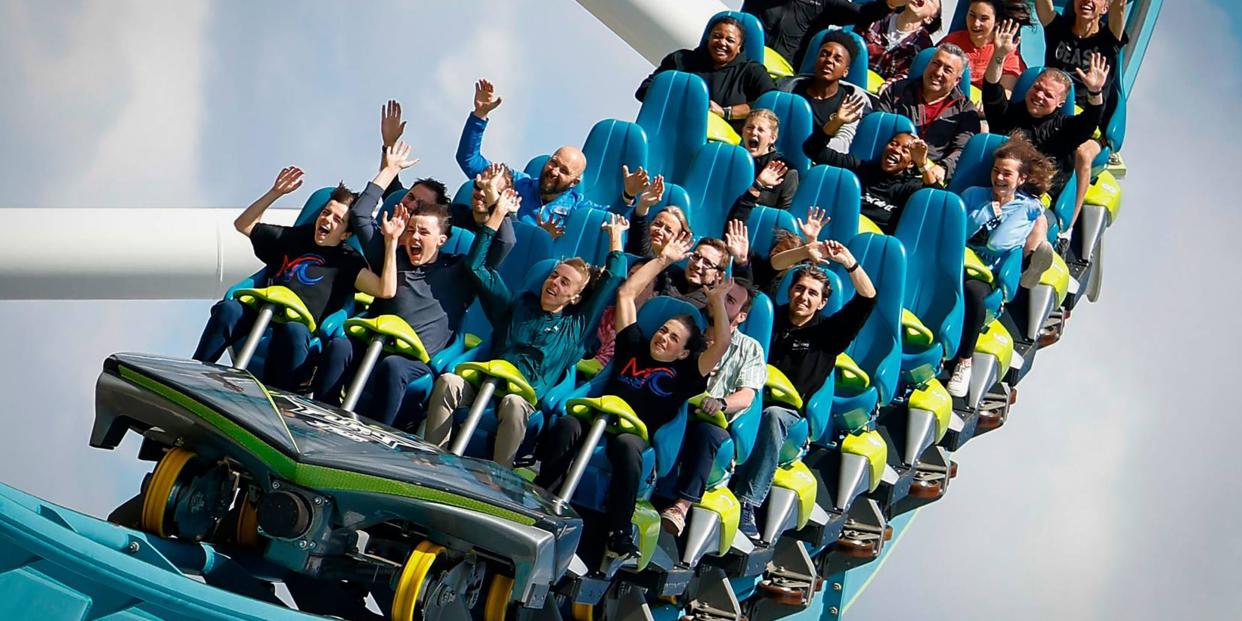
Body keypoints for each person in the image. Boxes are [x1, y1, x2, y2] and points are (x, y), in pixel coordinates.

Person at [534, 236, 732, 557]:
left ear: (684, 353)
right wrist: (663, 259)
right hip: (597, 418)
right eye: (663, 330)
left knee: (626, 447)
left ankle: (619, 531)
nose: (663, 337)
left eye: (673, 338)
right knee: (568, 424)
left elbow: (721, 344)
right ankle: (543, 499)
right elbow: (626, 293)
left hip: (633, 434)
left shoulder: (687, 375)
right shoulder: (634, 344)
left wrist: (718, 303)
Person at [311, 156, 516, 427]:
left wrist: (496, 206)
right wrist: (390, 169)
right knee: (340, 346)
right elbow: (360, 215)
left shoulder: (460, 272)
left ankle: (376, 435)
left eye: (423, 232)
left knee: (393, 367)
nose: (415, 237)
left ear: (441, 240)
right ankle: (321, 417)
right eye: (411, 231)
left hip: (412, 360)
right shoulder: (393, 256)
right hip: (373, 341)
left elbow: (505, 243)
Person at [421, 207, 628, 467]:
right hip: (484, 383)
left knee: (513, 402)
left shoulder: (576, 326)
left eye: (565, 283)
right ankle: (432, 457)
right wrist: (495, 217)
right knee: (449, 381)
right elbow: (476, 267)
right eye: (554, 276)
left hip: (523, 400)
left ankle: (499, 475)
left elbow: (615, 277)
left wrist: (615, 237)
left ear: (575, 297)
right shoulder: (516, 307)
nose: (554, 283)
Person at [192, 165, 399, 391]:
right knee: (228, 310)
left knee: (294, 331)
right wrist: (275, 193)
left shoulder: (348, 261)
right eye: (325, 213)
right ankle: (195, 374)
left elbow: (384, 289)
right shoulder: (296, 237)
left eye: (337, 219)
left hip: (300, 325)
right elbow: (244, 225)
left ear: (346, 234)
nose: (327, 220)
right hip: (263, 310)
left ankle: (283, 400)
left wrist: (390, 244)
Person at [734, 246, 876, 538]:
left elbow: (867, 299)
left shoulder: (829, 333)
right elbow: (764, 276)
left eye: (813, 293)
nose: (804, 296)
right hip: (747, 396)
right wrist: (802, 251)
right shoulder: (770, 317)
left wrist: (849, 262)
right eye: (799, 289)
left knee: (773, 416)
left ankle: (748, 502)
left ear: (823, 302)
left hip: (787, 413)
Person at [946, 137, 1055, 398]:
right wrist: (984, 212)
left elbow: (999, 243)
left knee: (973, 293)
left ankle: (964, 361)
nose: (999, 178)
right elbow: (957, 230)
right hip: (954, 259)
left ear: (1021, 179)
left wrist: (996, 213)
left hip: (986, 269)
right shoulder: (973, 195)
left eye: (1007, 173)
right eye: (996, 171)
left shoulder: (1027, 207)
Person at [984, 20, 1112, 234]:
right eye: (1037, 88)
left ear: (1060, 103)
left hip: (1034, 202)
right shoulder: (1010, 114)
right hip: (995, 190)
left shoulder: (1063, 130)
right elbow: (991, 92)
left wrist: (1095, 92)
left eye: (1048, 95)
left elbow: (1089, 122)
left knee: (1033, 224)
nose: (1039, 95)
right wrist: (999, 55)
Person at [661, 280, 768, 534]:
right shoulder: (687, 333)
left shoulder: (750, 348)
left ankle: (681, 507)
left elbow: (746, 396)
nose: (719, 301)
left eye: (729, 300)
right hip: (675, 409)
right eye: (719, 296)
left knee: (707, 434)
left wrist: (720, 403)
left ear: (741, 316)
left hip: (710, 420)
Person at [458, 80, 624, 236]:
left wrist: (628, 196)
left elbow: (616, 220)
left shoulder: (577, 209)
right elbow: (469, 160)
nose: (554, 171)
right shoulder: (518, 183)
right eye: (554, 162)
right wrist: (479, 116)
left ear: (574, 182)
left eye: (564, 171)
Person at [636, 16, 776, 133]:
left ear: (739, 47)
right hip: (674, 132)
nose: (722, 43)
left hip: (721, 146)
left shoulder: (751, 71)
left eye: (730, 40)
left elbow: (772, 104)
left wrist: (726, 112)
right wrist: (687, 104)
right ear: (708, 38)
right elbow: (644, 91)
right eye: (717, 36)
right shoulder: (681, 60)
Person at [876, 43, 981, 183]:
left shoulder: (965, 110)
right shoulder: (897, 91)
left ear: (957, 80)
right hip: (886, 164)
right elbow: (878, 128)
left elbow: (962, 150)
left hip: (925, 177)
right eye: (936, 63)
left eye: (947, 70)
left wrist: (943, 167)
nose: (938, 72)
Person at [807, 130, 940, 233]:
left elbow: (940, 202)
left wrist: (922, 164)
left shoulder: (909, 187)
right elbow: (812, 149)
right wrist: (836, 122)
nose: (896, 149)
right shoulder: (860, 168)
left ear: (911, 163)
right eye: (893, 143)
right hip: (837, 230)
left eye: (905, 150)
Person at [779, 30, 872, 158]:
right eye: (824, 54)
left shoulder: (851, 102)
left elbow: (842, 145)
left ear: (845, 71)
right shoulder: (790, 89)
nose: (829, 60)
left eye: (837, 59)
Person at [743, 0, 906, 69]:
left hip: (785, 75)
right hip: (741, 64)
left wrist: (889, 3)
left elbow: (862, 14)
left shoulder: (825, 2)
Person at [727, 109, 801, 223]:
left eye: (760, 130)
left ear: (772, 138)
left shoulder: (785, 171)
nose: (754, 132)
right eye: (749, 127)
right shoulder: (730, 161)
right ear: (742, 131)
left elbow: (783, 217)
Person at [938, 0, 1028, 93]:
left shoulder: (1007, 53)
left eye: (984, 18)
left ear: (997, 21)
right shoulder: (952, 41)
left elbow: (1006, 94)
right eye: (972, 15)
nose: (976, 24)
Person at [861, 0, 943, 81]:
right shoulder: (878, 16)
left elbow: (908, 76)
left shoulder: (923, 46)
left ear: (929, 19)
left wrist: (889, 87)